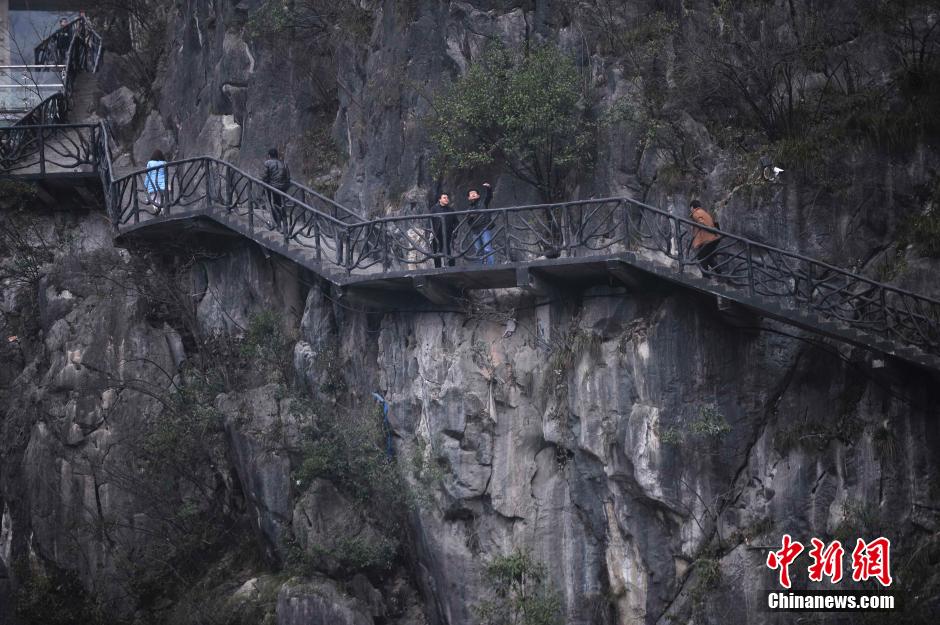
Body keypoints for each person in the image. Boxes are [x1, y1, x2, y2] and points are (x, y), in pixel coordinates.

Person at [261, 148, 291, 232]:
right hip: (283, 188)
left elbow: (264, 177)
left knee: (273, 205)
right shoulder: (284, 163)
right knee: (281, 205)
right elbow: (288, 177)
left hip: (273, 187)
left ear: (269, 155)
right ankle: (284, 225)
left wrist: (264, 186)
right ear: (277, 155)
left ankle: (277, 225)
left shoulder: (268, 163)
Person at [690, 199, 721, 273]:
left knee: (701, 257)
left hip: (708, 240)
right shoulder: (704, 213)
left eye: (690, 208)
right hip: (713, 239)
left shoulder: (696, 213)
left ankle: (706, 278)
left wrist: (709, 229)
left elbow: (701, 222)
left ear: (692, 207)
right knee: (708, 258)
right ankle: (720, 274)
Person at [466, 183, 495, 265]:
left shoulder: (483, 203)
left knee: (487, 249)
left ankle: (490, 267)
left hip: (484, 228)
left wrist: (489, 188)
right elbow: (468, 222)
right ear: (469, 197)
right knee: (478, 250)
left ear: (478, 196)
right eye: (471, 194)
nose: (473, 194)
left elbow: (488, 197)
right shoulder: (469, 209)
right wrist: (471, 217)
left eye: (475, 193)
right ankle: (480, 267)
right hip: (475, 231)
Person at [429, 192, 455, 268]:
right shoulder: (434, 209)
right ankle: (438, 268)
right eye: (444, 198)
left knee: (449, 251)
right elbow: (430, 220)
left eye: (447, 198)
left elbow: (456, 221)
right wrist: (431, 232)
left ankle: (452, 267)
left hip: (448, 234)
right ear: (439, 199)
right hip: (437, 234)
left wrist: (455, 231)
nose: (446, 199)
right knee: (437, 252)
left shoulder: (450, 209)